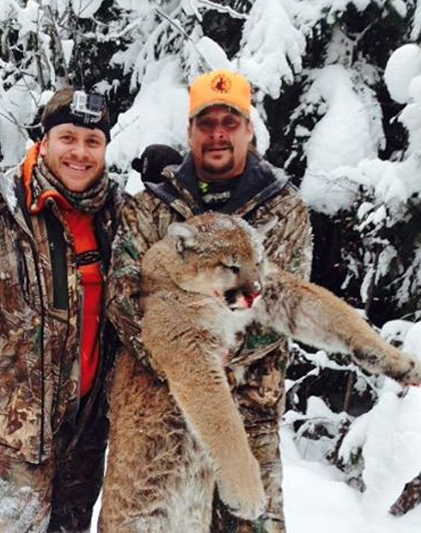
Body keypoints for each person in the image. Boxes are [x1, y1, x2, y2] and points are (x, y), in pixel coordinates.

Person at [106, 69, 313, 533]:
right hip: (157, 415)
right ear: (190, 132)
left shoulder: (282, 208)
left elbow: (280, 306)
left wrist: (212, 363)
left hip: (248, 413)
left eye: (230, 122)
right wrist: (181, 360)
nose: (218, 133)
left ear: (249, 129)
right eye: (206, 123)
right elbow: (124, 297)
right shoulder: (151, 206)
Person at [0, 87, 122, 533]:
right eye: (68, 138)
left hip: (86, 432)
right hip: (13, 434)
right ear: (45, 141)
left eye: (92, 141)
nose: (80, 152)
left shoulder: (118, 218)